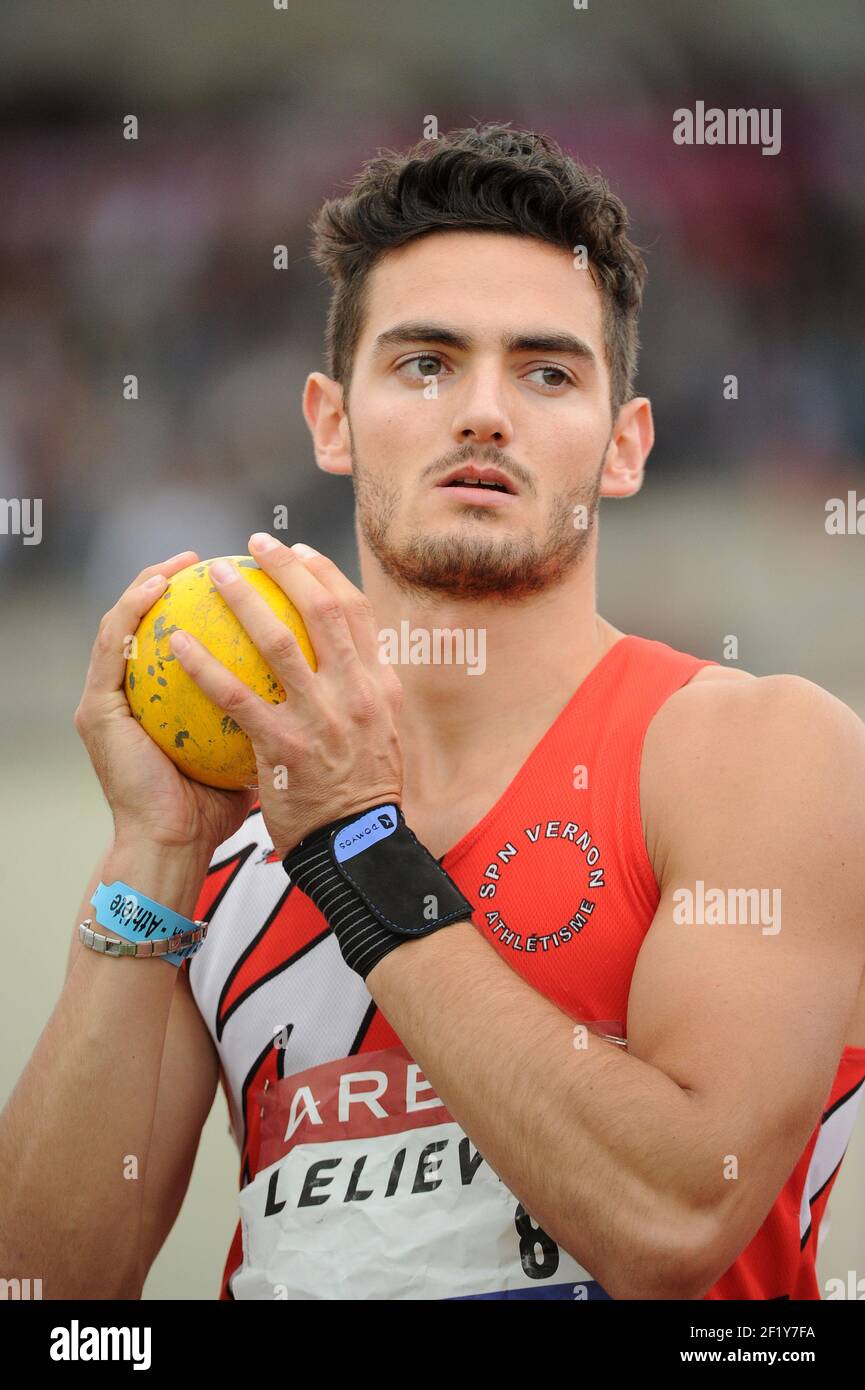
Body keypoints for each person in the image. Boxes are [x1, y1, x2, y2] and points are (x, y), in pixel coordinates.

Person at [2, 124, 864, 1301]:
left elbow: (673, 1219)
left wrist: (359, 849)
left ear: (625, 447)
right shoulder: (234, 849)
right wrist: (153, 852)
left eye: (547, 371)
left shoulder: (760, 750)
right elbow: (47, 1303)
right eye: (424, 363)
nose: (483, 413)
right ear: (330, 421)